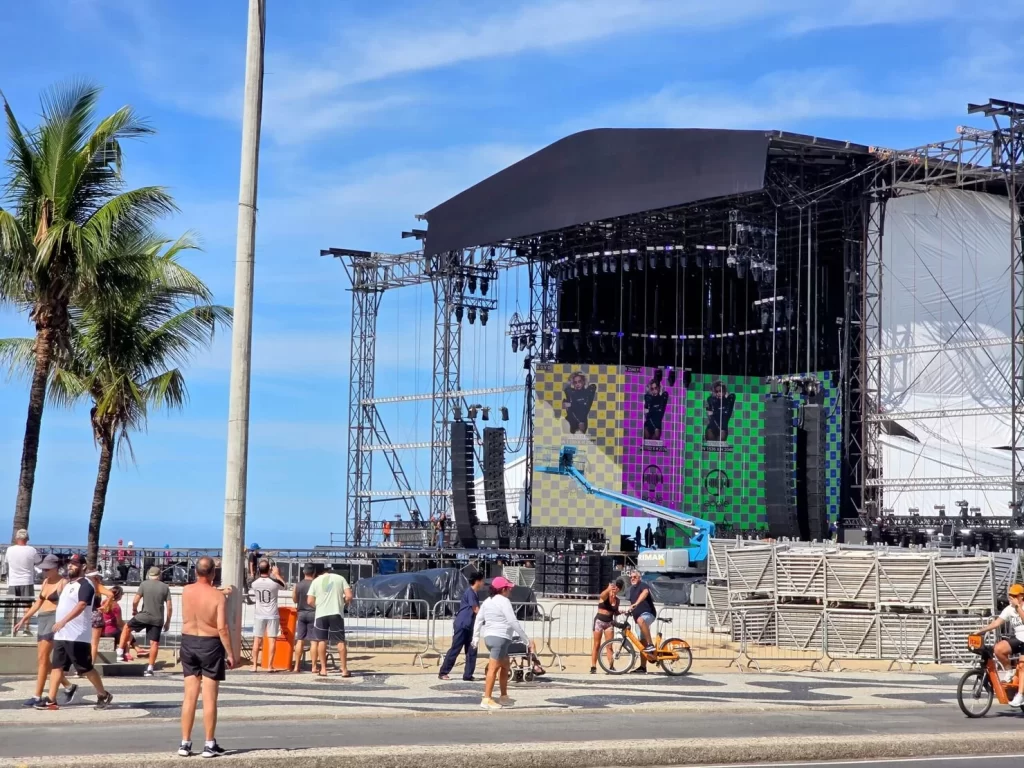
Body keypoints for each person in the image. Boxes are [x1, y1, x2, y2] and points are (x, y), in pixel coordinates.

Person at [37, 554, 113, 710]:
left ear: (83, 566)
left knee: (85, 668)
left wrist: (63, 621)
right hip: (62, 634)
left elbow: (81, 605)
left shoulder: (86, 584)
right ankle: (51, 700)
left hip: (77, 635)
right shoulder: (68, 585)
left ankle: (103, 694)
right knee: (57, 667)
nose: (70, 566)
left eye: (75, 564)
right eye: (70, 563)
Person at [178, 556, 236, 758]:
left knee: (190, 697)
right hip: (210, 644)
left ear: (196, 572)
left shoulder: (186, 591)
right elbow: (222, 627)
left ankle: (185, 743)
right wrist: (230, 653)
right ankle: (209, 743)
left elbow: (200, 593)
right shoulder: (218, 597)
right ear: (213, 573)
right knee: (209, 698)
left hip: (188, 641)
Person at [14, 554, 77, 707]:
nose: (44, 571)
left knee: (43, 658)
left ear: (56, 568)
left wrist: (64, 623)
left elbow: (70, 604)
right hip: (43, 618)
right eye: (43, 569)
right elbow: (38, 602)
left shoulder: (63, 583)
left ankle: (37, 696)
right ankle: (68, 686)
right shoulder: (45, 581)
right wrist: (24, 619)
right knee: (43, 659)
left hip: (54, 619)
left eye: (47, 569)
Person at [118, 566, 171, 677]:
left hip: (144, 615)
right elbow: (169, 607)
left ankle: (120, 652)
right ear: (159, 575)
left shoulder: (144, 584)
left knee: (127, 627)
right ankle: (150, 668)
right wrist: (167, 622)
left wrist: (134, 610)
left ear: (149, 575)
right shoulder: (165, 587)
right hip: (158, 618)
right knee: (154, 643)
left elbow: (135, 600)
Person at [980, 583, 1024, 706]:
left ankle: (1020, 695)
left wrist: (1018, 608)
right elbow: (996, 623)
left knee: (1022, 665)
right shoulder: (1009, 609)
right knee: (998, 648)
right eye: (1010, 595)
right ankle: (1009, 670)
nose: (1011, 598)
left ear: (1021, 596)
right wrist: (980, 631)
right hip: (1019, 638)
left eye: (1015, 596)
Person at [308, 568, 353, 678]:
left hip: (321, 614)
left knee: (322, 641)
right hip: (336, 612)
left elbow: (309, 601)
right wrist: (343, 603)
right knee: (340, 641)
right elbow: (349, 596)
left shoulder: (316, 581)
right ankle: (344, 669)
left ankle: (323, 669)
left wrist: (317, 606)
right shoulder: (340, 578)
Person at [438, 572, 483, 681]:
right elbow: (476, 609)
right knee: (456, 648)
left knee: (472, 649)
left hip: (471, 625)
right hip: (463, 624)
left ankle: (468, 674)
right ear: (477, 581)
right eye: (482, 581)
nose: (483, 583)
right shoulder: (470, 592)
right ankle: (443, 672)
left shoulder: (475, 593)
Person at [250, 560, 286, 672]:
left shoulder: (254, 583)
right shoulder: (274, 583)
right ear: (269, 569)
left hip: (259, 614)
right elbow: (284, 585)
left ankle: (254, 665)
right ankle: (270, 666)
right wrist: (277, 574)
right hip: (272, 614)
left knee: (257, 640)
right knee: (272, 640)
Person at [627, 570, 657, 673]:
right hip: (638, 618)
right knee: (641, 643)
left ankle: (651, 644)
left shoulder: (643, 585)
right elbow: (632, 604)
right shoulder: (631, 590)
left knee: (641, 620)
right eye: (631, 577)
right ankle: (643, 667)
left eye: (635, 577)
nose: (632, 579)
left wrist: (636, 603)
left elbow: (645, 593)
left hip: (648, 614)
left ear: (639, 578)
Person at [292, 564, 318, 673]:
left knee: (300, 640)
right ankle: (314, 667)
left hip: (301, 613)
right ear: (314, 572)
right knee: (314, 641)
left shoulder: (298, 585)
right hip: (313, 612)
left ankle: (296, 666)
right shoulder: (316, 584)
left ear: (304, 572)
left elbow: (294, 599)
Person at [590, 580, 620, 674]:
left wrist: (623, 611)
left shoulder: (617, 600)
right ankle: (593, 666)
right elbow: (602, 596)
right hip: (599, 621)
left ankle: (611, 666)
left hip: (609, 623)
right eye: (612, 587)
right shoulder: (605, 595)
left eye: (616, 588)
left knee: (609, 645)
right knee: (596, 644)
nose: (614, 589)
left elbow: (615, 611)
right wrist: (608, 589)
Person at [86, 570, 115, 664]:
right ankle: (91, 665)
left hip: (84, 615)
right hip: (95, 614)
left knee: (84, 642)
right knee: (94, 643)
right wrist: (105, 605)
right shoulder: (97, 586)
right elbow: (110, 594)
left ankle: (80, 665)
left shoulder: (84, 586)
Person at [6, 528, 38, 598]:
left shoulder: (9, 550)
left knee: (11, 607)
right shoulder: (32, 550)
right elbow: (38, 562)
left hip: (13, 581)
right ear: (27, 539)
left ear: (16, 538)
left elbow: (7, 563)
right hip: (27, 581)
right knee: (27, 606)